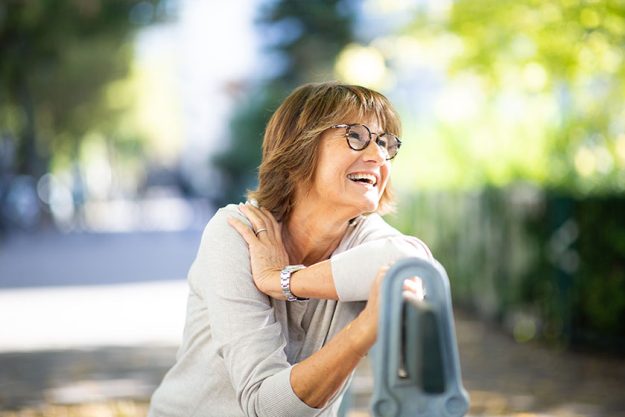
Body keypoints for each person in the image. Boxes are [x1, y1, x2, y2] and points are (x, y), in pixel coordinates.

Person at [148, 81, 433, 417]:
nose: (378, 155)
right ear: (300, 148)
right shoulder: (238, 232)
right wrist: (360, 334)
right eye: (357, 136)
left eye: (386, 144)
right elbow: (264, 405)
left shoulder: (362, 236)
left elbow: (414, 263)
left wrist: (285, 281)